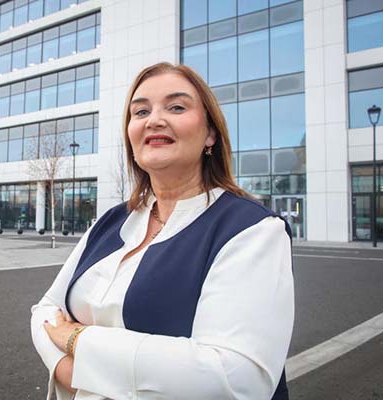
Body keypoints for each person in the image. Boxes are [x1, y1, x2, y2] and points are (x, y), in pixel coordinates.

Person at [30, 62, 294, 400]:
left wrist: (77, 341)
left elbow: (235, 378)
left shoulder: (252, 229)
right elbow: (45, 311)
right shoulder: (111, 221)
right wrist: (65, 370)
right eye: (140, 111)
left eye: (177, 107)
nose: (154, 120)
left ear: (211, 134)